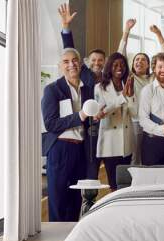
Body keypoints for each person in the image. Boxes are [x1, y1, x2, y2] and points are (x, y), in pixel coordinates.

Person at [41, 48, 92, 221]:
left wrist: (94, 117)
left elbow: (88, 120)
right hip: (60, 149)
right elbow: (51, 124)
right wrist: (80, 116)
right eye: (66, 61)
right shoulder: (52, 90)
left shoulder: (87, 90)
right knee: (58, 201)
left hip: (80, 150)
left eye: (75, 60)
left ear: (81, 63)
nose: (71, 64)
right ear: (60, 66)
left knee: (75, 201)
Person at [58, 3, 104, 182]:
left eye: (101, 60)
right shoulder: (85, 73)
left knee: (96, 172)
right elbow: (70, 52)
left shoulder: (111, 76)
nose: (97, 63)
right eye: (93, 60)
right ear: (87, 62)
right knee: (83, 170)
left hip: (106, 130)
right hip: (86, 127)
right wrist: (66, 27)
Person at [117, 18, 164, 165]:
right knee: (135, 157)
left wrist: (158, 34)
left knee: (149, 157)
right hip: (134, 121)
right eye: (136, 60)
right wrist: (126, 31)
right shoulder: (129, 77)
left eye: (143, 60)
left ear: (148, 65)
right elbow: (120, 55)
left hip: (153, 122)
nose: (139, 62)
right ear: (133, 64)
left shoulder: (154, 78)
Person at [94, 52, 136, 191]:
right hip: (110, 142)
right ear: (109, 67)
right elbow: (101, 113)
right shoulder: (100, 88)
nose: (120, 67)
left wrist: (130, 96)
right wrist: (122, 97)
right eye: (115, 64)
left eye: (122, 64)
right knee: (114, 184)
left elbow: (135, 113)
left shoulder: (129, 85)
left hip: (126, 142)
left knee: (126, 184)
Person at [139, 53, 164, 165]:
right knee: (151, 179)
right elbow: (143, 119)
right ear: (154, 68)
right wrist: (163, 129)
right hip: (152, 143)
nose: (163, 70)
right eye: (160, 67)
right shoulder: (147, 90)